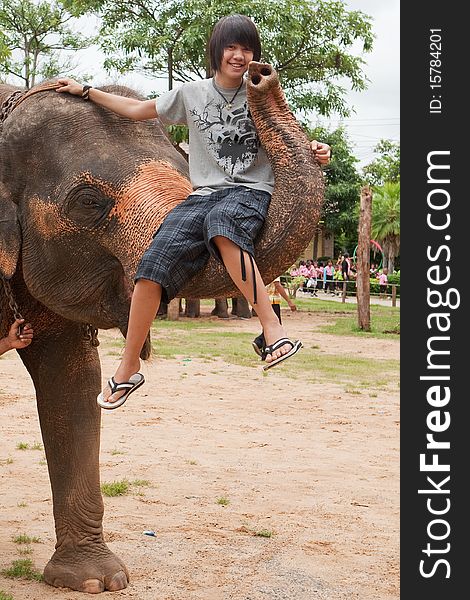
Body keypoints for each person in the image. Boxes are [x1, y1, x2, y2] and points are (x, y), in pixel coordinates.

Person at [56, 14, 331, 408]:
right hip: (200, 195)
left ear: (255, 54)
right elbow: (137, 110)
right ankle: (128, 368)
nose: (239, 55)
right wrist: (88, 91)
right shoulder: (191, 94)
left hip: (249, 192)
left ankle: (272, 329)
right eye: (231, 47)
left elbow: (291, 136)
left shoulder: (262, 93)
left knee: (223, 226)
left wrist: (318, 150)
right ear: (217, 52)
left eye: (246, 48)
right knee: (150, 265)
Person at [252, 277, 296, 356]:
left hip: (264, 300)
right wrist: (289, 301)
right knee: (275, 326)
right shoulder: (275, 271)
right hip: (272, 301)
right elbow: (277, 285)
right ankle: (261, 343)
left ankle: (263, 346)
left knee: (269, 325)